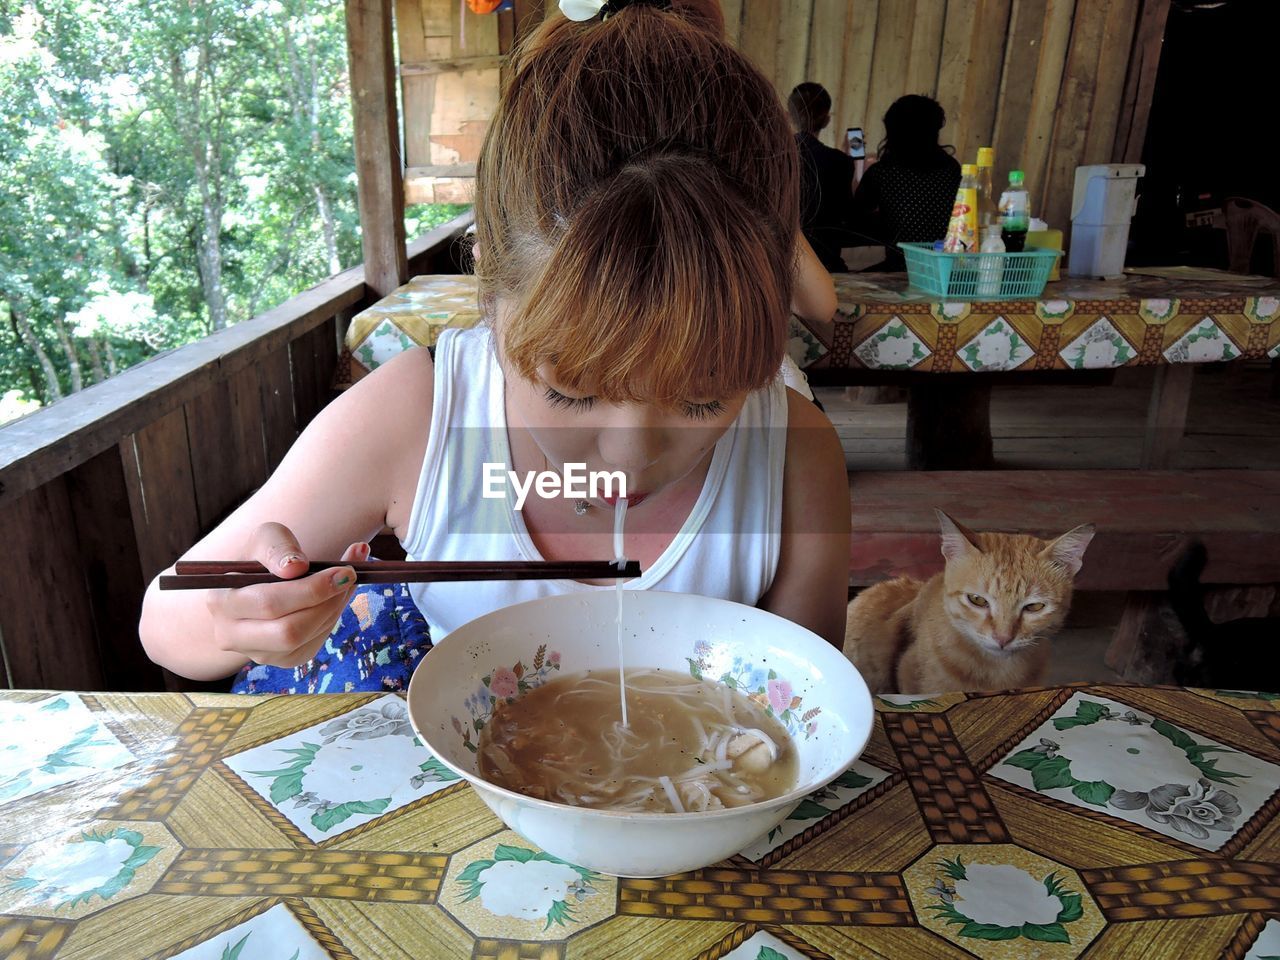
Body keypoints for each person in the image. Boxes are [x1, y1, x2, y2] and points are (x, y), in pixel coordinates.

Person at [137, 0, 851, 690]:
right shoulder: (419, 415)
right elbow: (163, 620)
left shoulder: (795, 456)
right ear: (486, 284)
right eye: (568, 390)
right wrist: (241, 618)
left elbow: (802, 710)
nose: (630, 457)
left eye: (702, 400)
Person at [849, 94, 961, 271]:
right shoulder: (952, 169)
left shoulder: (883, 172)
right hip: (945, 267)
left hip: (901, 267)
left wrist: (854, 164)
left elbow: (854, 218)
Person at [788, 82, 860, 272]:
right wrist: (852, 160)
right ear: (827, 120)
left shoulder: (772, 157)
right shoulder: (840, 161)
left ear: (788, 115)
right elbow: (849, 213)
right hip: (826, 263)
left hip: (781, 262)